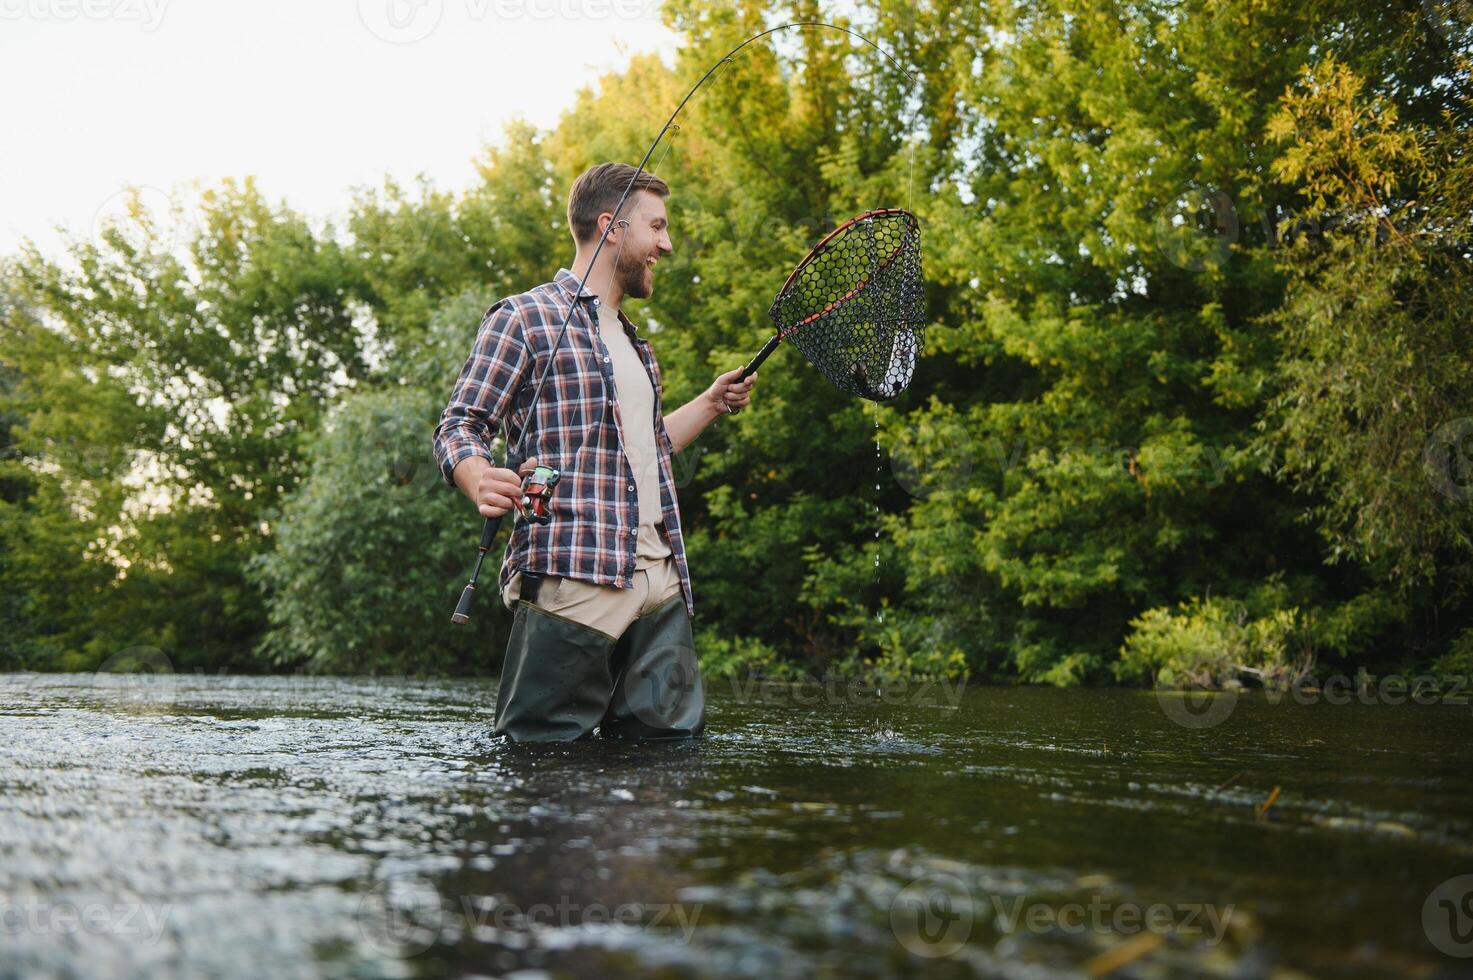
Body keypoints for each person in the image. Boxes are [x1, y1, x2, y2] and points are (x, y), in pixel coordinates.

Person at [432, 162, 757, 742]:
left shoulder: (637, 344)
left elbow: (650, 451)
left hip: (660, 580)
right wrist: (478, 476)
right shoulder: (524, 318)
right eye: (655, 227)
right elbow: (459, 425)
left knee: (669, 762)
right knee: (542, 760)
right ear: (611, 227)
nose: (667, 243)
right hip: (573, 577)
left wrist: (710, 403)